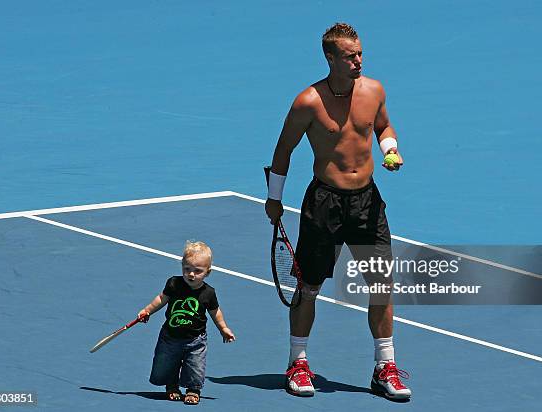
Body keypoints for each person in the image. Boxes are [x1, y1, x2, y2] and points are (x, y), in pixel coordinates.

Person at [265, 23, 411, 400]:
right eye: (350, 56)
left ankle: (384, 368)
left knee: (381, 286)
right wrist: (274, 199)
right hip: (324, 205)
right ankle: (297, 362)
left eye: (360, 53)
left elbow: (383, 126)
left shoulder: (374, 91)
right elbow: (283, 151)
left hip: (367, 204)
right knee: (309, 287)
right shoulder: (307, 102)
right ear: (331, 58)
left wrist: (389, 148)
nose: (358, 61)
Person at [137, 241, 236, 405]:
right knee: (167, 363)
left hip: (195, 340)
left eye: (197, 271)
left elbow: (215, 312)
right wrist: (147, 310)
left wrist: (223, 328)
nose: (191, 274)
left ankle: (193, 389)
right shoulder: (174, 284)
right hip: (170, 337)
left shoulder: (208, 293)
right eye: (187, 269)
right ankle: (172, 386)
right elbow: (161, 299)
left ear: (207, 272)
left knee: (195, 366)